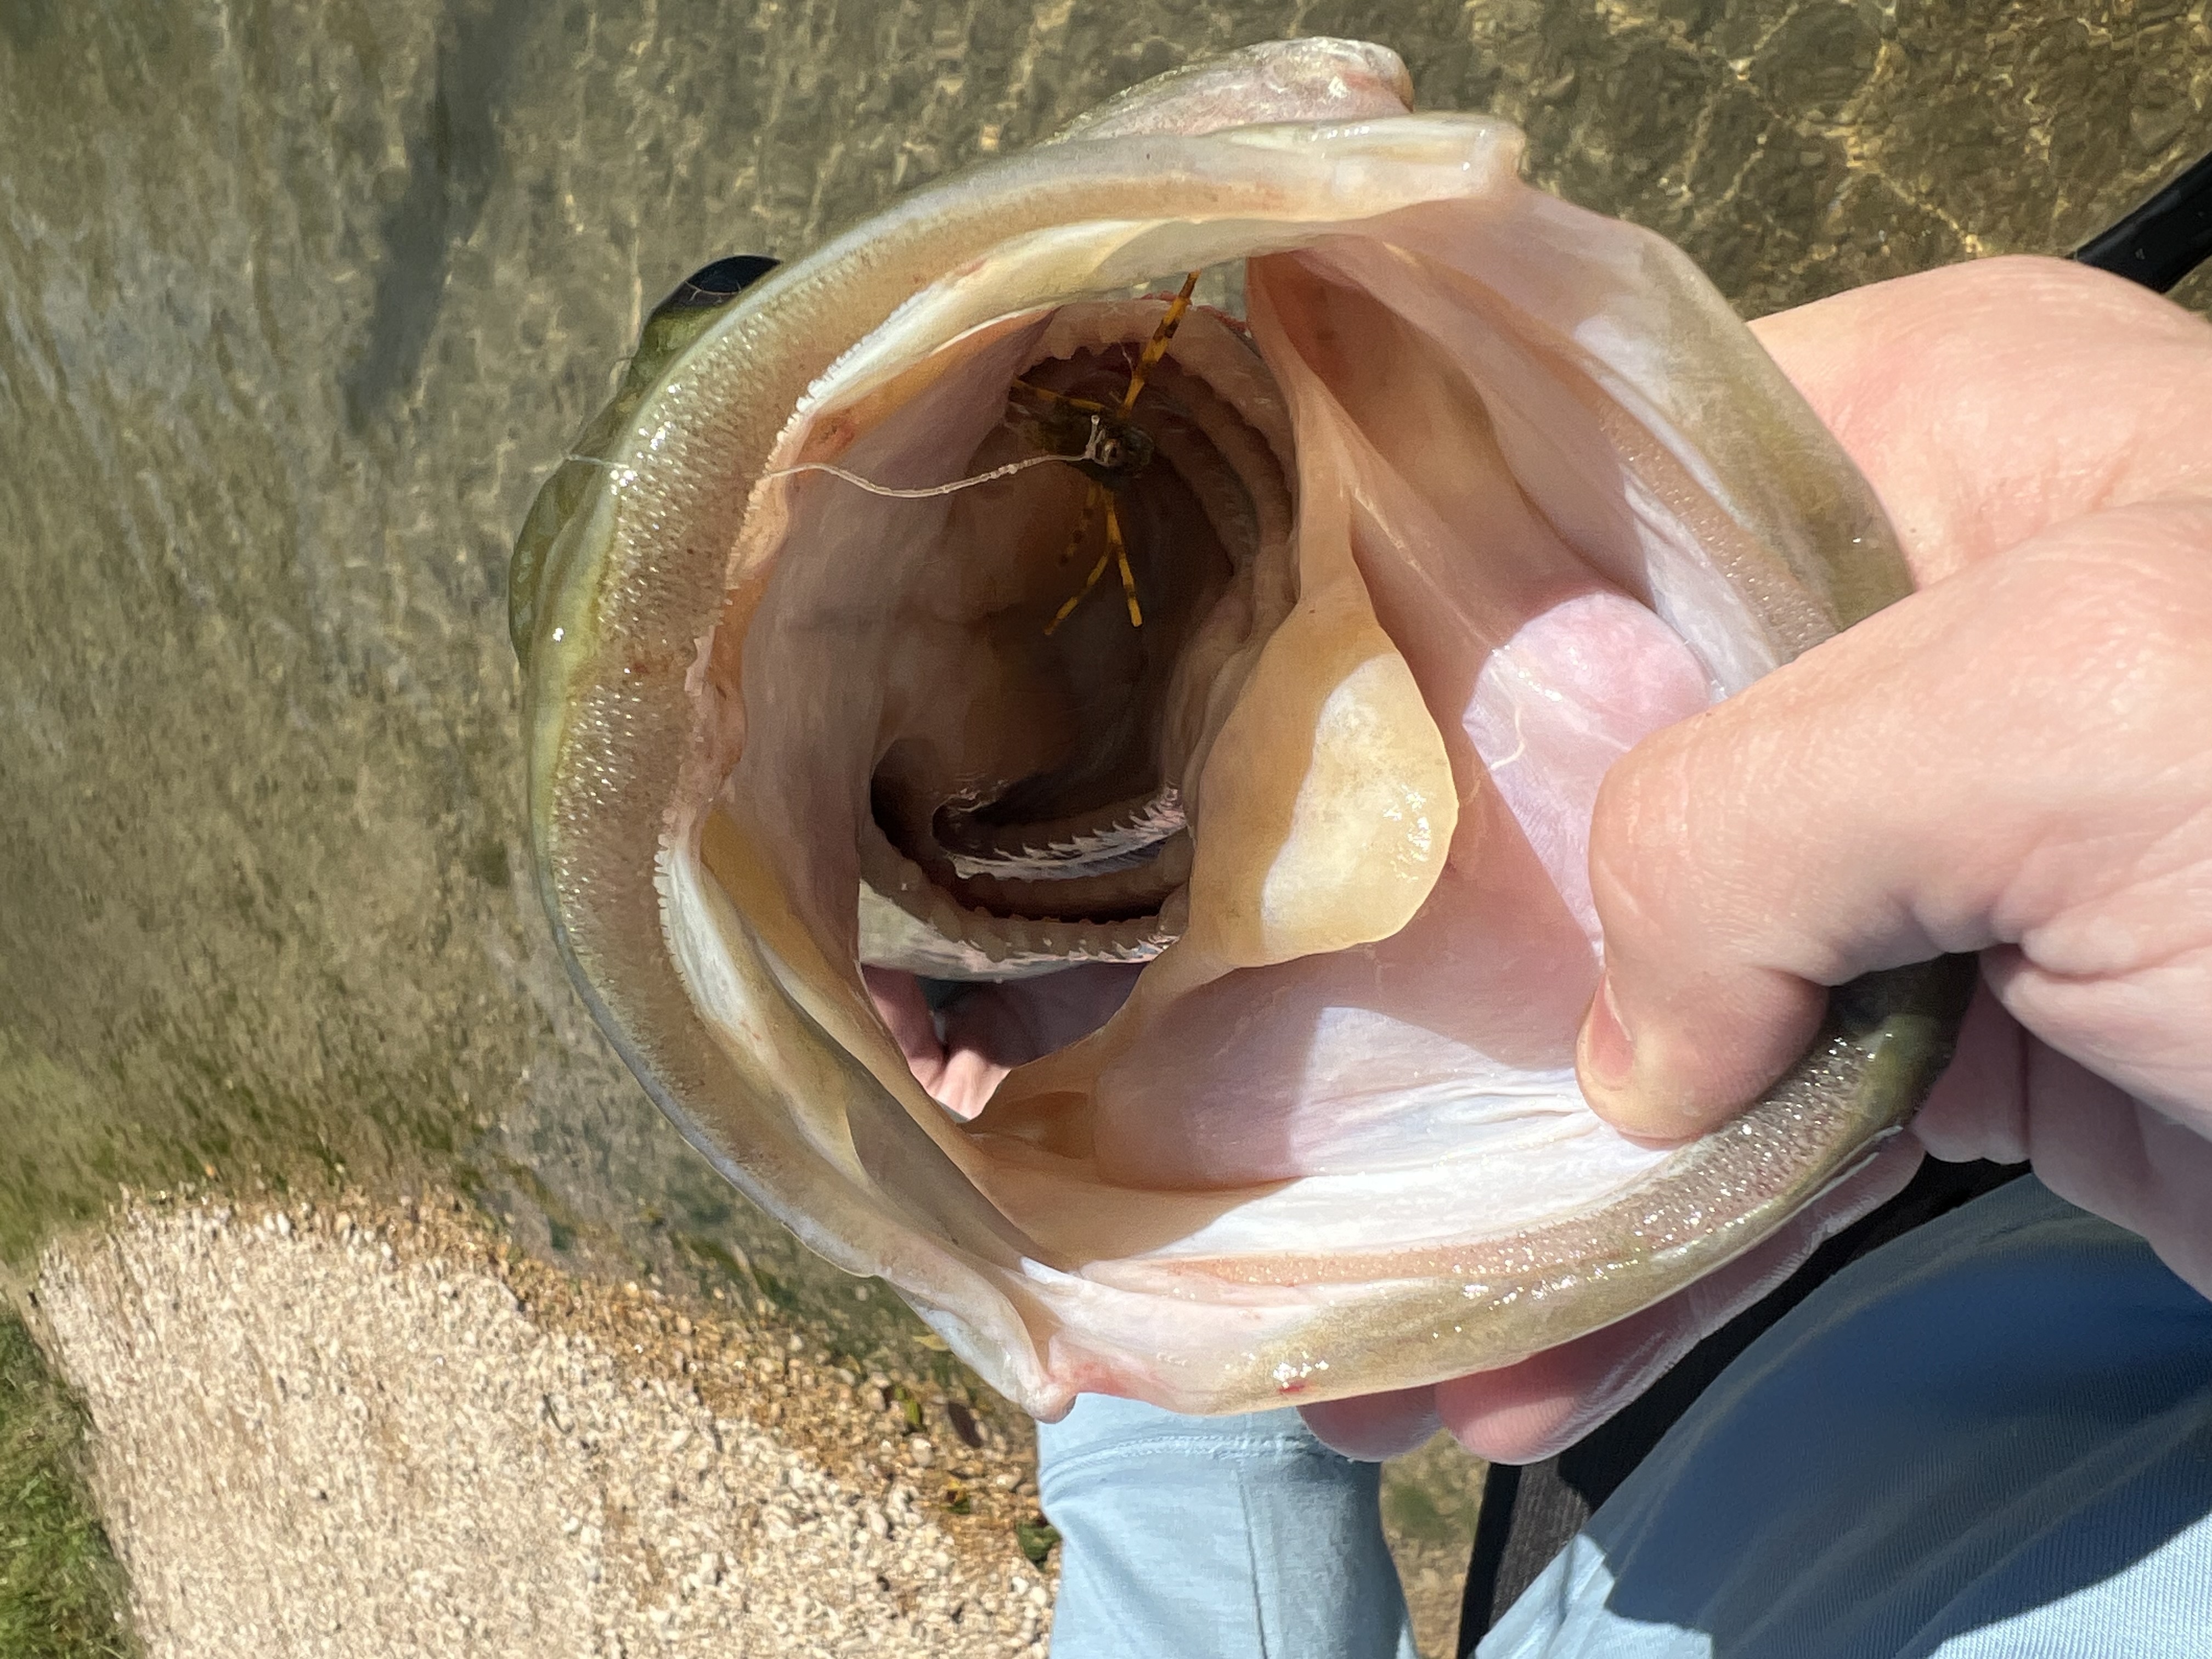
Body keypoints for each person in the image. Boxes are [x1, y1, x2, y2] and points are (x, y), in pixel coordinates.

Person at [884, 255, 2212, 1657]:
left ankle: (1106, 976)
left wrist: (1106, 1289)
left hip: (1666, 1490)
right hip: (2032, 1173)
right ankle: (1117, 965)